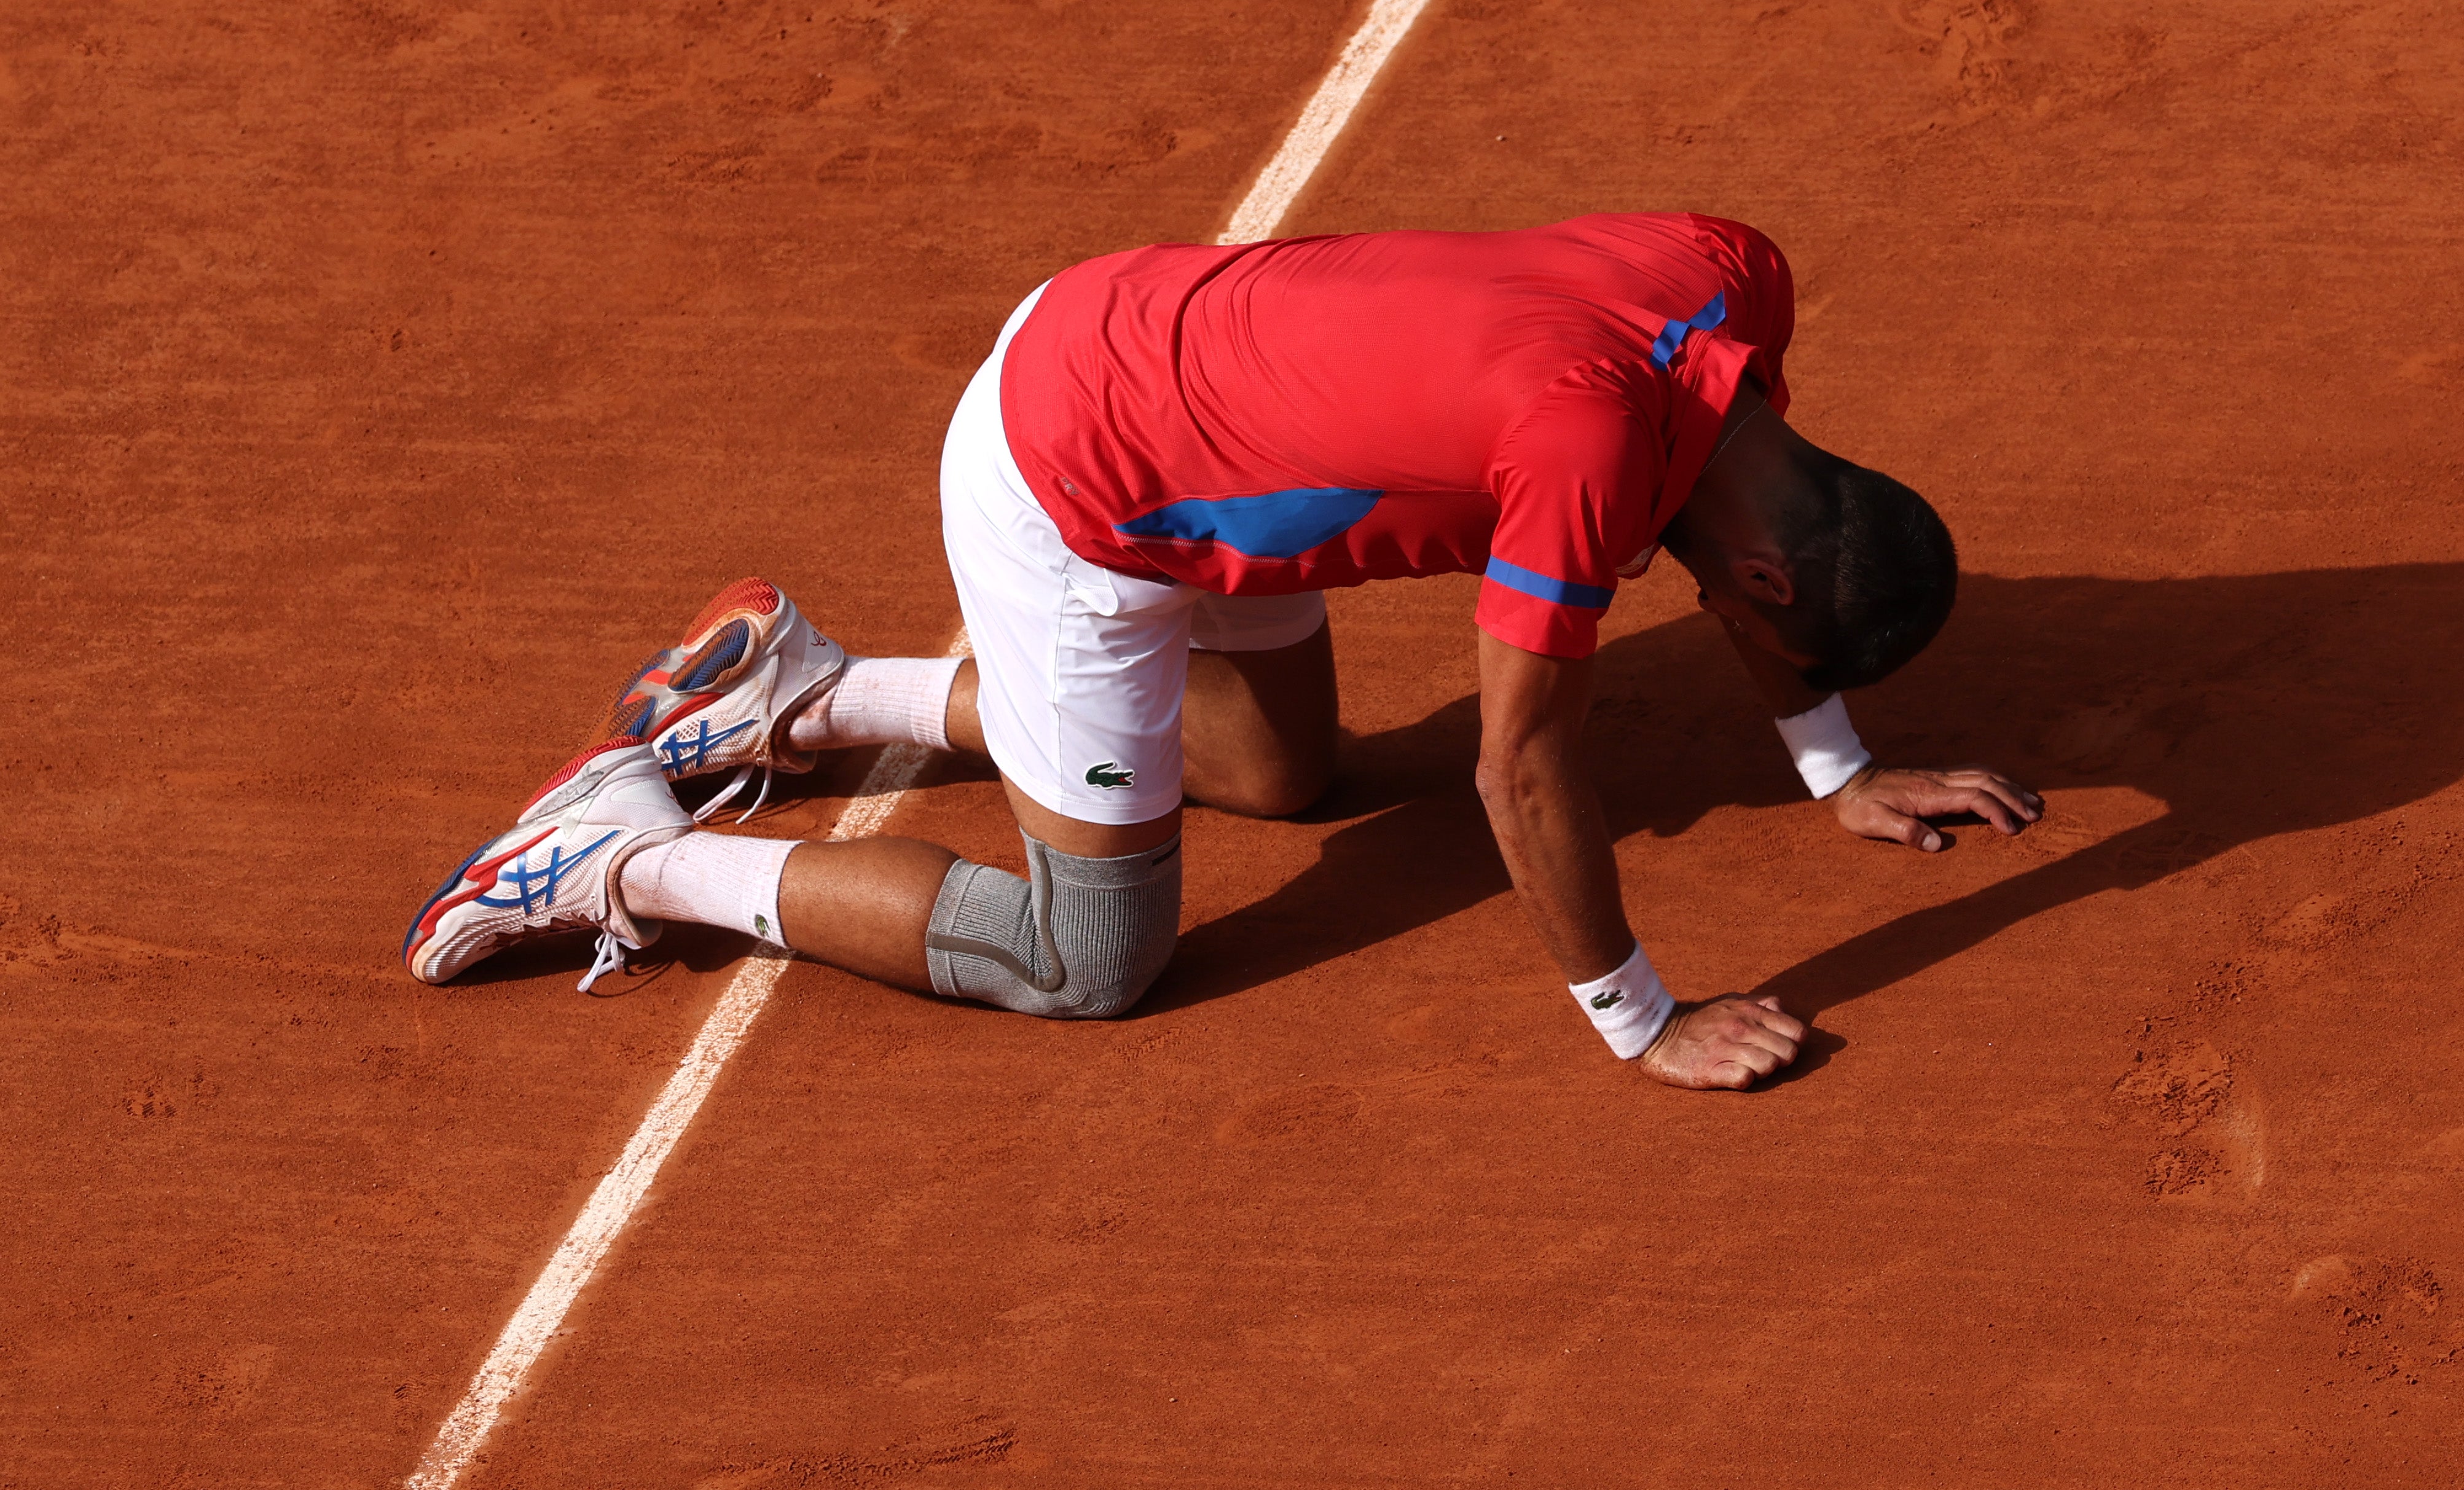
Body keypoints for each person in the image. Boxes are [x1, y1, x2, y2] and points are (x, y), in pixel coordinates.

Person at [403, 214, 2042, 1089]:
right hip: (1081, 493)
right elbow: (1518, 763)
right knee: (1086, 959)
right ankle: (624, 857)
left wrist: (1837, 763)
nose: (1727, 627)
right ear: (1757, 565)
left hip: (1164, 336)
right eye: (1745, 620)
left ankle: (804, 694)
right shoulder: (1588, 460)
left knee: (1280, 773)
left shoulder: (1728, 277)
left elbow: (1760, 554)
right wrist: (1639, 1013)